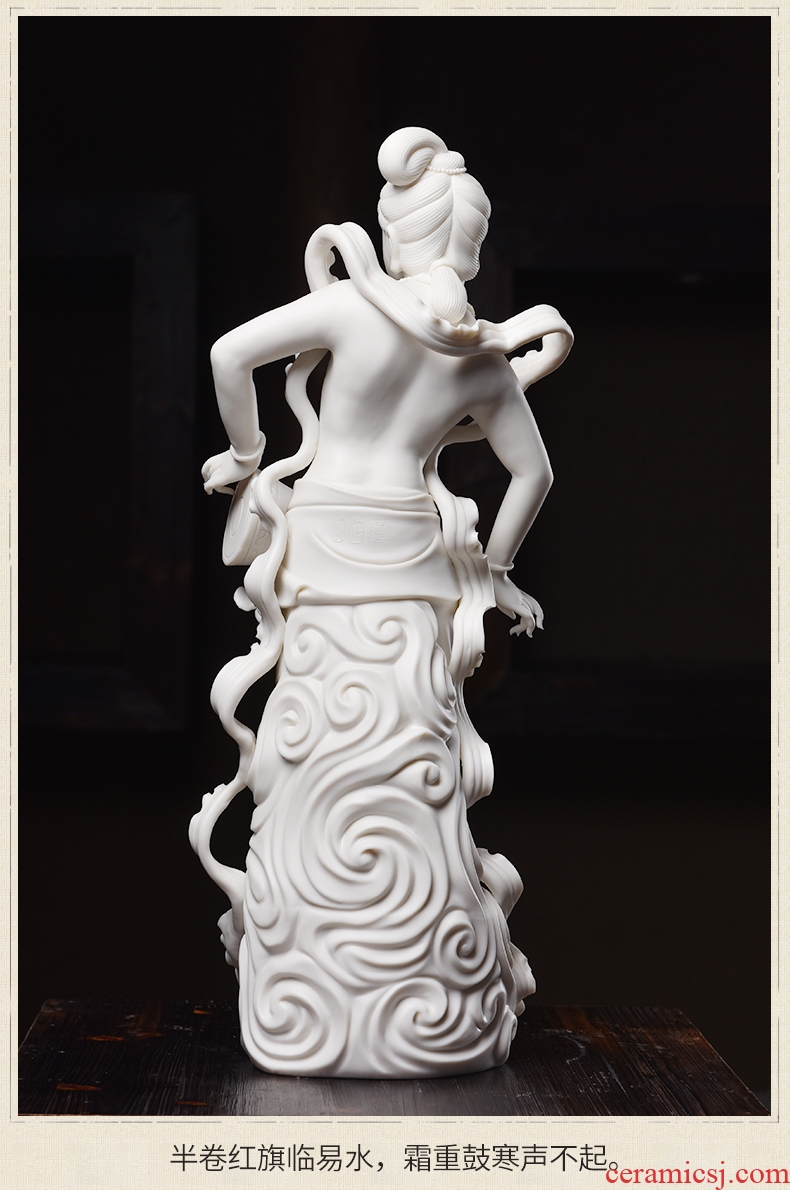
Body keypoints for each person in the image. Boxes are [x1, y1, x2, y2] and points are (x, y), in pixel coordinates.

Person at [191, 128, 573, 1077]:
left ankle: (308, 993)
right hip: (409, 554)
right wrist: (493, 568)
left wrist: (247, 456)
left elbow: (229, 356)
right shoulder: (480, 358)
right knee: (411, 749)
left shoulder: (352, 310)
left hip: (325, 542)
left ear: (396, 231)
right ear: (469, 246)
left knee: (315, 739)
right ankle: (435, 995)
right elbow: (533, 474)